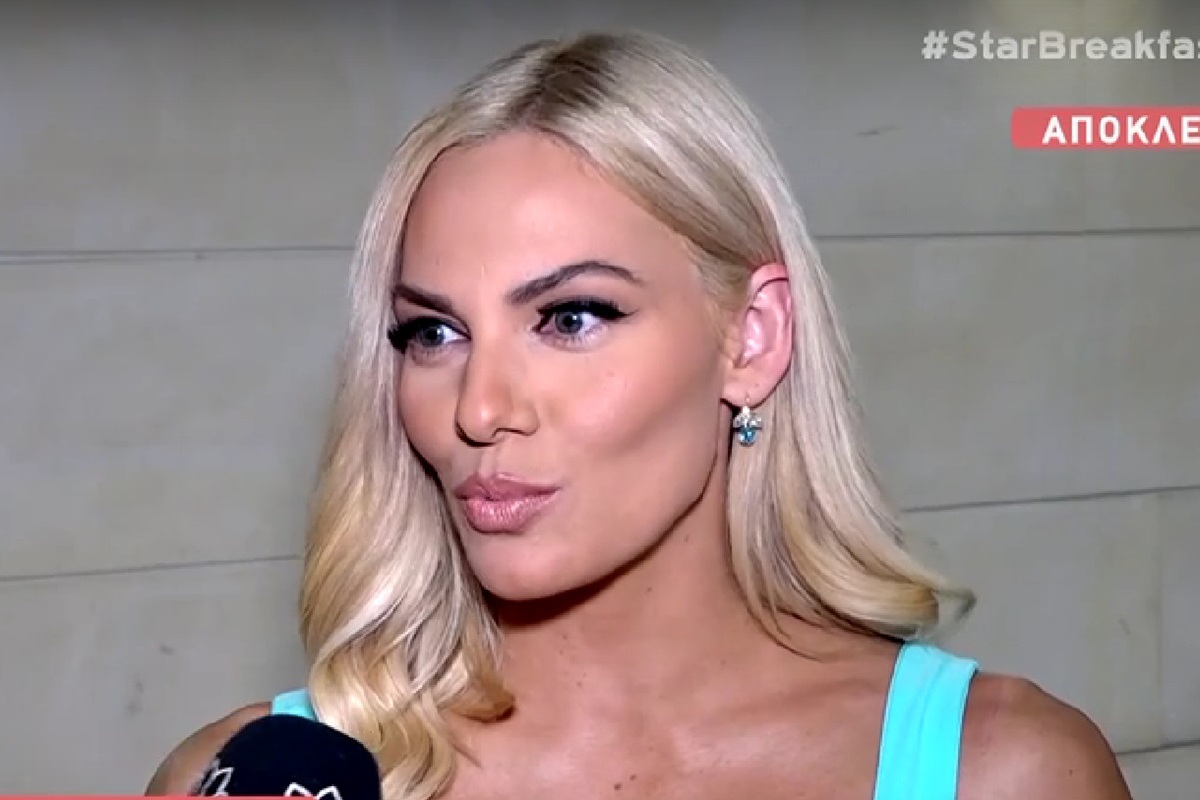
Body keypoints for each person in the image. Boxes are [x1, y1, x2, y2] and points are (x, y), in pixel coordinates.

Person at [146, 30, 1133, 800]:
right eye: (433, 333)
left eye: (571, 317)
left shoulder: (1005, 772)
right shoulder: (248, 775)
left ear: (752, 338)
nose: (480, 408)